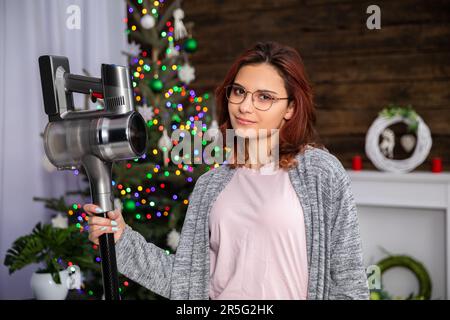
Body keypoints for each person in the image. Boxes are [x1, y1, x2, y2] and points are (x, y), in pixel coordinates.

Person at [84, 41, 369, 300]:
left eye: (264, 97)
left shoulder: (320, 173)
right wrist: (121, 238)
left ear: (290, 108)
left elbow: (350, 283)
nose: (245, 106)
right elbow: (186, 282)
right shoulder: (211, 184)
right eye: (239, 92)